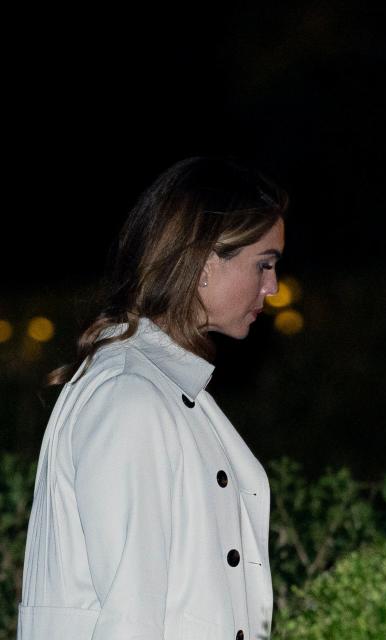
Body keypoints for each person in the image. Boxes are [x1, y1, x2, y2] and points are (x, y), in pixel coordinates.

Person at [19, 157, 287, 639]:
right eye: (263, 265)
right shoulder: (131, 397)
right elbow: (130, 618)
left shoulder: (161, 386)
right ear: (206, 262)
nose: (272, 286)